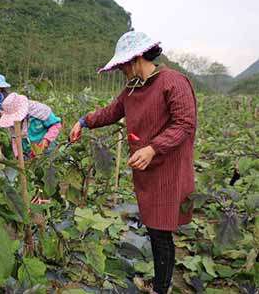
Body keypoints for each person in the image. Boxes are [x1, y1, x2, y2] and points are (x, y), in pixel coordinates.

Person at [69, 31, 197, 294]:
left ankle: (161, 288)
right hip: (146, 169)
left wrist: (153, 148)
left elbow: (184, 123)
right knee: (153, 227)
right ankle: (161, 283)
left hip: (168, 169)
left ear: (137, 58)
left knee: (162, 232)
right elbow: (112, 112)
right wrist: (83, 121)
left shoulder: (173, 82)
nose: (121, 71)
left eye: (123, 66)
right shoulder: (132, 89)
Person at [0, 92, 62, 159]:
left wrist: (46, 140)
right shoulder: (13, 123)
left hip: (47, 149)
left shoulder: (39, 111)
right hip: (29, 153)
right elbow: (15, 139)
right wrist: (18, 155)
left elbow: (56, 125)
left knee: (49, 166)